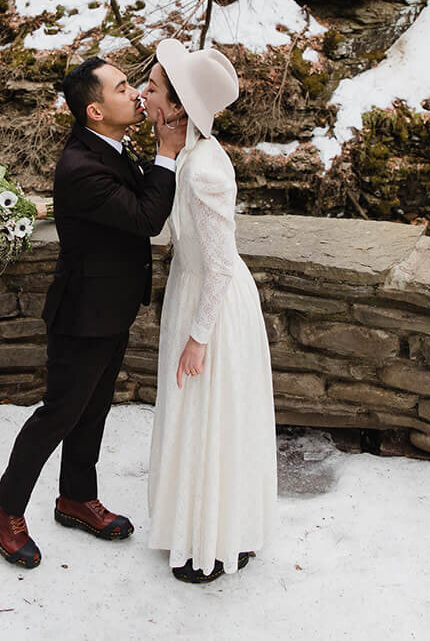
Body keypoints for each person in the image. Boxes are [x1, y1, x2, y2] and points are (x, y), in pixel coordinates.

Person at [0, 56, 185, 569]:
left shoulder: (110, 146)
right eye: (121, 87)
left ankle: (75, 496)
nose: (135, 91)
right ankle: (3, 506)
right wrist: (167, 153)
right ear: (95, 110)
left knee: (93, 410)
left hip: (111, 307)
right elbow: (145, 218)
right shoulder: (80, 167)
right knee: (59, 413)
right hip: (81, 314)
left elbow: (137, 198)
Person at [142, 38, 277, 584]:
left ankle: (217, 541)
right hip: (190, 289)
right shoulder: (188, 156)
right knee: (197, 416)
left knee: (213, 417)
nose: (144, 94)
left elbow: (221, 265)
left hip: (213, 306)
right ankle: (198, 526)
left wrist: (199, 336)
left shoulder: (204, 171)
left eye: (152, 88)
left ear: (176, 107)